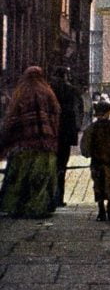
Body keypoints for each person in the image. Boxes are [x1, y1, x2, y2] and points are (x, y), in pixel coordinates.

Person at [0, 67, 60, 218]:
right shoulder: (48, 92)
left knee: (20, 177)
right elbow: (56, 115)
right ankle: (38, 207)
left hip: (23, 143)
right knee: (40, 177)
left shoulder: (21, 93)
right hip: (45, 143)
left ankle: (17, 206)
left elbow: (11, 118)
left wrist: (6, 140)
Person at [80, 100, 110, 221]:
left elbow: (85, 145)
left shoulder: (92, 128)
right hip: (109, 161)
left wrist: (87, 153)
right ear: (106, 113)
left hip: (96, 161)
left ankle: (101, 210)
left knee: (98, 185)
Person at [51, 67, 80, 208]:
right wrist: (76, 129)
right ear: (66, 76)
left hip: (51, 132)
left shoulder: (48, 89)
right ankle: (59, 197)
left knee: (51, 165)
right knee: (62, 166)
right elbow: (78, 110)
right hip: (66, 133)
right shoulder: (72, 90)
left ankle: (50, 196)